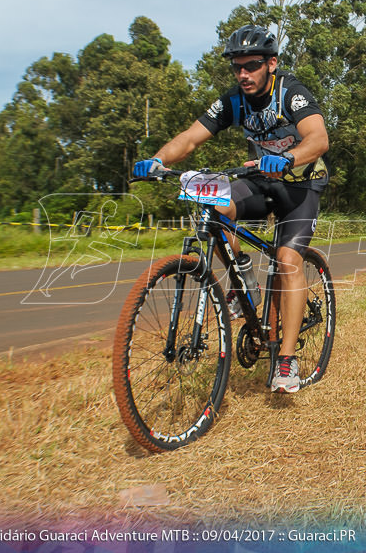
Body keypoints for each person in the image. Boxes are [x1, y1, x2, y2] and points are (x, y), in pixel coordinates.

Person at [132, 24, 330, 393]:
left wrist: (288, 158)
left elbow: (319, 138)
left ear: (271, 63)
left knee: (287, 260)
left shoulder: (291, 94)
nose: (243, 74)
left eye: (252, 65)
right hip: (263, 180)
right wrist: (157, 160)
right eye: (237, 67)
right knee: (214, 204)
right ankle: (244, 288)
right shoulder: (233, 101)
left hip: (301, 184)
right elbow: (191, 137)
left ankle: (286, 361)